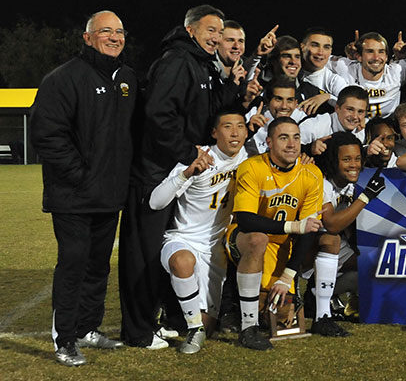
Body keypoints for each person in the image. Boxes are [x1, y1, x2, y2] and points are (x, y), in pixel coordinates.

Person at [119, 4, 227, 350]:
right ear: (191, 29)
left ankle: (159, 320)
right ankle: (137, 330)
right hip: (154, 174)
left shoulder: (198, 62)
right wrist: (188, 152)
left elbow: (199, 116)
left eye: (220, 32)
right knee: (143, 254)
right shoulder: (178, 61)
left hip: (173, 172)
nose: (217, 37)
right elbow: (158, 114)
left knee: (159, 252)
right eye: (210, 30)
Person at [30, 10, 134, 366]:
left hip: (109, 195)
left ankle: (89, 327)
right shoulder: (63, 78)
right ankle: (65, 339)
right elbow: (46, 134)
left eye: (119, 31)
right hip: (73, 196)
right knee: (73, 264)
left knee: (98, 266)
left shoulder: (127, 78)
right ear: (87, 37)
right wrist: (81, 175)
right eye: (106, 31)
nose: (115, 37)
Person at [148, 109, 249, 354]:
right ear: (214, 132)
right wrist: (186, 174)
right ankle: (193, 330)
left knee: (209, 326)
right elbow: (155, 202)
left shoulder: (249, 158)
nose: (235, 132)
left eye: (240, 126)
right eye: (227, 126)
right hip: (183, 238)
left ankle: (190, 320)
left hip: (215, 248)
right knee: (183, 262)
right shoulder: (198, 157)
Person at [226, 117, 325, 350]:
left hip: (281, 245)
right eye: (283, 138)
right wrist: (294, 226)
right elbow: (246, 219)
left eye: (296, 137)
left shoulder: (312, 174)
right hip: (246, 238)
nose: (291, 144)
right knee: (258, 240)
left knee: (281, 315)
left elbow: (308, 230)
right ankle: (246, 327)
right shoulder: (252, 167)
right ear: (269, 142)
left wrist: (287, 276)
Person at [312, 132, 386, 323]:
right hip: (307, 249)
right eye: (346, 159)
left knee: (372, 266)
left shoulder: (352, 183)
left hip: (335, 249)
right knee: (333, 238)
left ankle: (319, 295)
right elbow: (331, 224)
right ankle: (316, 298)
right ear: (332, 160)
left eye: (357, 159)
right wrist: (366, 197)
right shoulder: (321, 182)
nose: (354, 165)